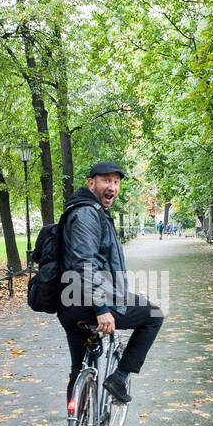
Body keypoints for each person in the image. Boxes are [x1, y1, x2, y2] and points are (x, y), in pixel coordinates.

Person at [58, 162, 165, 405]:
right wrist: (101, 309)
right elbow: (84, 264)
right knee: (154, 315)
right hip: (90, 303)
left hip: (69, 304)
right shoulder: (87, 213)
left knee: (78, 370)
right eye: (106, 180)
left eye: (116, 182)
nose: (112, 187)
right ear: (91, 182)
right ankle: (119, 377)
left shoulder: (90, 210)